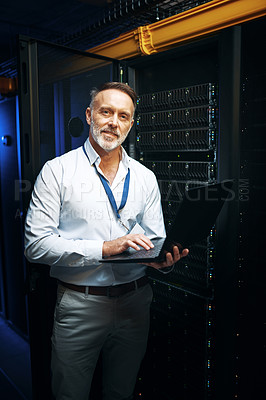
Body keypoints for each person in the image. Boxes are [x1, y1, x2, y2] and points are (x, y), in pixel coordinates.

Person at [24, 82, 189, 400]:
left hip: (135, 303)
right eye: (106, 112)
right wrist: (103, 248)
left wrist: (159, 260)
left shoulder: (145, 177)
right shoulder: (57, 172)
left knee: (121, 392)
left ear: (130, 123)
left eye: (123, 116)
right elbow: (35, 245)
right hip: (80, 305)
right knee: (70, 394)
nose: (114, 121)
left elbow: (154, 238)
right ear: (89, 115)